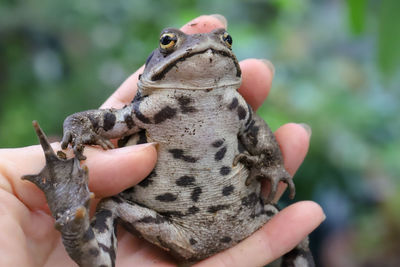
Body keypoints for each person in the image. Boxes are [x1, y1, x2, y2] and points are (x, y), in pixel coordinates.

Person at [0, 15, 325, 267]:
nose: (205, 47)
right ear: (151, 66)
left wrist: (271, 164)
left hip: (241, 216)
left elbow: (263, 140)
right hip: (173, 227)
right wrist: (79, 139)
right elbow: (84, 120)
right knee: (110, 206)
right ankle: (91, 254)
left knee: (295, 233)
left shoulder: (234, 103)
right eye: (170, 42)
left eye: (224, 41)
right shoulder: (147, 107)